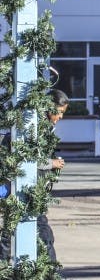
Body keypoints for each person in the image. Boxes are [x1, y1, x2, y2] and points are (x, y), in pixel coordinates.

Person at [0, 89, 67, 264]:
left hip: (25, 188)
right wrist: (51, 163)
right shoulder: (34, 125)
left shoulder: (40, 125)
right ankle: (51, 270)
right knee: (42, 234)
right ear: (50, 107)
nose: (60, 117)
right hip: (22, 188)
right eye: (59, 113)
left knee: (12, 231)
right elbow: (27, 158)